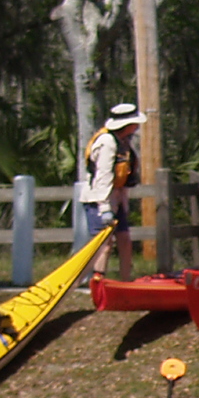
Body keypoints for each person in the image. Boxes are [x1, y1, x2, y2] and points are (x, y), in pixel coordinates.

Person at [75, 103, 141, 282]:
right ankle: (99, 282)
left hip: (117, 199)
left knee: (124, 240)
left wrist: (123, 203)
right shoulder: (107, 142)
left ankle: (126, 281)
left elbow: (125, 176)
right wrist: (104, 207)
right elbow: (103, 175)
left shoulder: (124, 142)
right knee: (104, 244)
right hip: (99, 200)